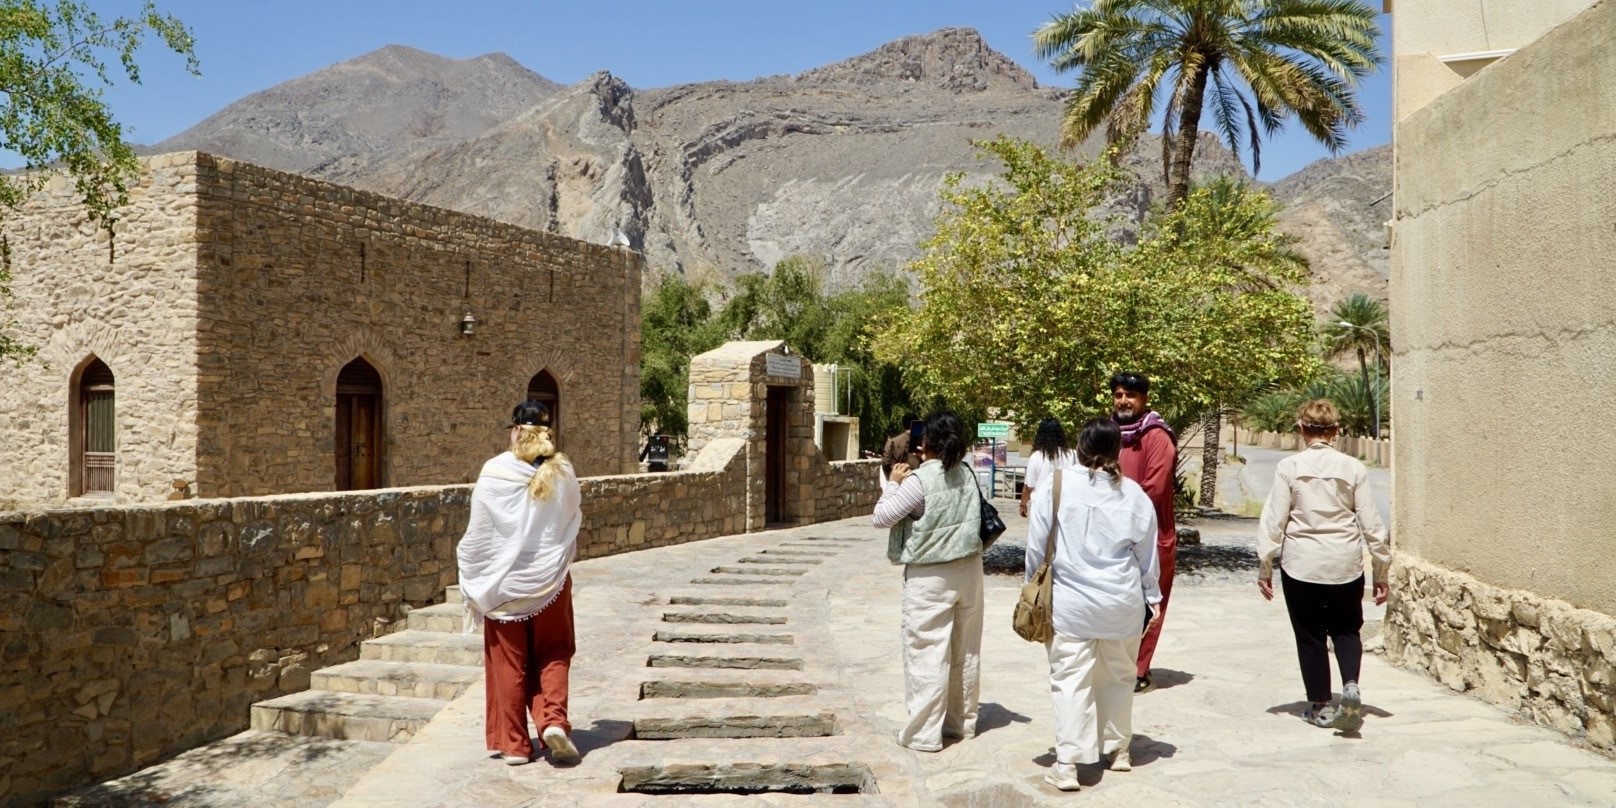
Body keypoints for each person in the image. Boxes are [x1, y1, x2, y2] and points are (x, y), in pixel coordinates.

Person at [1026, 418, 1162, 792]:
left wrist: (1031, 587)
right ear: (1118, 451)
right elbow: (1147, 557)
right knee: (1120, 675)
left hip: (1072, 605)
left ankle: (1067, 764)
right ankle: (1118, 751)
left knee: (1070, 679)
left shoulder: (1056, 485)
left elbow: (1036, 547)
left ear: (1080, 449)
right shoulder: (1134, 495)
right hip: (1122, 603)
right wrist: (1153, 597)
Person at [457, 400, 584, 766]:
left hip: (505, 587)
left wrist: (475, 575)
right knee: (554, 652)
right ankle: (553, 720)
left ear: (515, 430)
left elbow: (480, 533)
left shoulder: (495, 471)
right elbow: (571, 516)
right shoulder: (563, 469)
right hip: (549, 582)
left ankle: (514, 745)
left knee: (507, 663)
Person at [1256, 399, 1390, 732]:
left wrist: (1265, 564)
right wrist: (1381, 570)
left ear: (1301, 429)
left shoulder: (1289, 467)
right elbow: (1372, 524)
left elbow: (1274, 520)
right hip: (1345, 562)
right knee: (1347, 629)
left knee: (1310, 635)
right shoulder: (1354, 468)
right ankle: (1350, 685)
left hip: (1301, 564)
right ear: (1336, 431)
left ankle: (1320, 707)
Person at [871, 411, 984, 752]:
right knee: (965, 651)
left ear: (927, 441)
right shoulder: (967, 473)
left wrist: (893, 483)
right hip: (969, 571)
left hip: (930, 575)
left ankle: (923, 734)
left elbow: (882, 517)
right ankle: (960, 723)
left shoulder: (919, 481)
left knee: (927, 651)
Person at [1110, 372, 1177, 693]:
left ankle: (1138, 670)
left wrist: (1117, 512)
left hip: (1152, 536)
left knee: (1148, 605)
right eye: (1119, 394)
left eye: (1131, 395)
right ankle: (1114, 663)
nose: (1124, 401)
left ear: (1144, 399)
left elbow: (1155, 489)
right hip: (1110, 535)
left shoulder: (1156, 436)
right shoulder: (1108, 433)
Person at [1020, 418, 1077, 518]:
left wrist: (1022, 504)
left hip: (1041, 507)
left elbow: (1028, 487)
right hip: (1067, 506)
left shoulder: (1036, 457)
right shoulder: (1073, 455)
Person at [881, 413, 922, 480]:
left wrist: (892, 476)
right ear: (916, 423)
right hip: (917, 478)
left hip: (899, 479)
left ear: (903, 424)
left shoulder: (892, 442)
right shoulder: (923, 441)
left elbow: (886, 462)